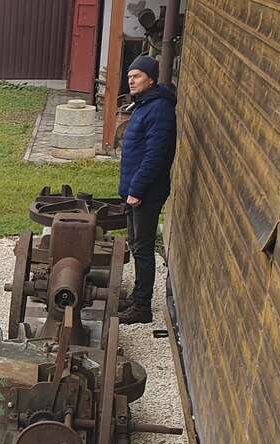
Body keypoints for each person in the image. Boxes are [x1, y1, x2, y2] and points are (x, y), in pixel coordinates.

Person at [117, 54, 177, 325]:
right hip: (135, 190)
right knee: (136, 244)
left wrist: (138, 190)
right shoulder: (144, 104)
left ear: (151, 79)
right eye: (129, 76)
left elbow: (156, 156)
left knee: (142, 248)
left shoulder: (159, 109)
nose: (131, 80)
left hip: (146, 193)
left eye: (137, 76)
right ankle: (137, 297)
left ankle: (142, 307)